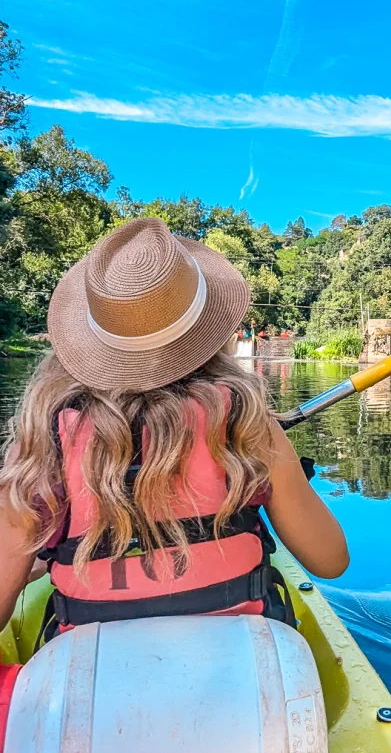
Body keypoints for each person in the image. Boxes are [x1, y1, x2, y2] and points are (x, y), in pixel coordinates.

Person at [0, 218, 349, 637]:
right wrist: (275, 456)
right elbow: (330, 560)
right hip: (242, 668)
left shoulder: (47, 436)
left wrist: (41, 561)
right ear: (210, 334)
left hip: (95, 679)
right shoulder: (246, 423)